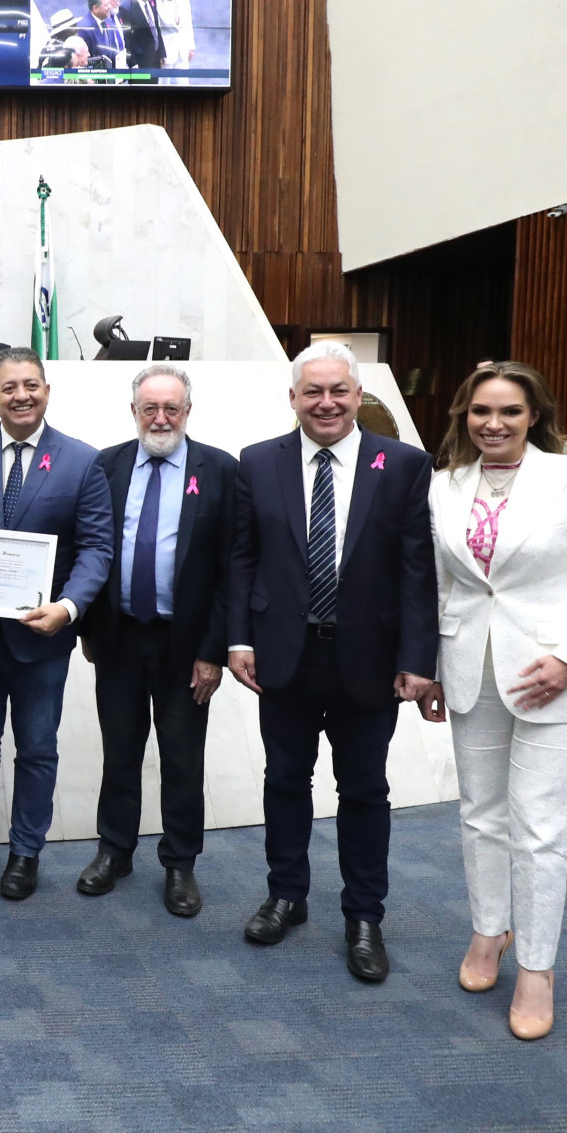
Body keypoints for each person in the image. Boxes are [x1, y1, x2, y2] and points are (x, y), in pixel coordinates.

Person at [425, 363, 567, 1040]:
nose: (493, 423)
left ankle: (538, 968)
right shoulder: (441, 486)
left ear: (533, 416)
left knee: (541, 828)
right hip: (470, 667)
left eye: (509, 412)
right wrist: (431, 668)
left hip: (558, 675)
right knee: (480, 816)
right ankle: (489, 930)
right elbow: (440, 588)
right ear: (463, 415)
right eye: (480, 411)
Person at [227, 341, 438, 983]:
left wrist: (418, 657)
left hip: (369, 661)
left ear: (357, 396)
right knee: (285, 780)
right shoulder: (258, 462)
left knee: (365, 790)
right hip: (282, 658)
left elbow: (416, 570)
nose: (326, 403)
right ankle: (286, 894)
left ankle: (363, 915)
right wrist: (237, 640)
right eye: (312, 392)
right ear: (293, 397)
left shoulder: (401, 464)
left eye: (338, 391)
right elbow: (242, 558)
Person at [0, 347, 112, 899]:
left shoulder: (83, 460)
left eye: (31, 384)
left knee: (36, 749)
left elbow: (97, 547)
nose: (21, 395)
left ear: (47, 391)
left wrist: (70, 608)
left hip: (43, 637)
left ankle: (26, 850)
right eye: (9, 387)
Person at [76, 366, 236, 915]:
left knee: (182, 759)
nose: (161, 418)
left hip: (186, 647)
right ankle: (115, 850)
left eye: (172, 408)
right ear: (134, 412)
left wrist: (213, 652)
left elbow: (230, 572)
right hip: (118, 639)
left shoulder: (219, 470)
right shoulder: (107, 465)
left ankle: (179, 864)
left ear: (188, 411)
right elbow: (87, 546)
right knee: (119, 753)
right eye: (150, 408)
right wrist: (87, 629)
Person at [119, 0, 167, 71]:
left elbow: (156, 28)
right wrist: (132, 63)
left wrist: (162, 53)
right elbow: (126, 40)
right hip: (140, 65)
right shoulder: (126, 9)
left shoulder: (152, 2)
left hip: (155, 60)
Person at [154, 0, 195, 76]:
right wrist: (159, 53)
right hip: (167, 53)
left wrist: (191, 47)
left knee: (184, 85)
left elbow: (188, 24)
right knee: (164, 85)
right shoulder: (158, 4)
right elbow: (157, 32)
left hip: (183, 50)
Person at [79, 0, 128, 68]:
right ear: (95, 8)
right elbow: (85, 59)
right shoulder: (85, 29)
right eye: (106, 5)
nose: (110, 7)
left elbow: (113, 48)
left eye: (109, 3)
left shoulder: (108, 19)